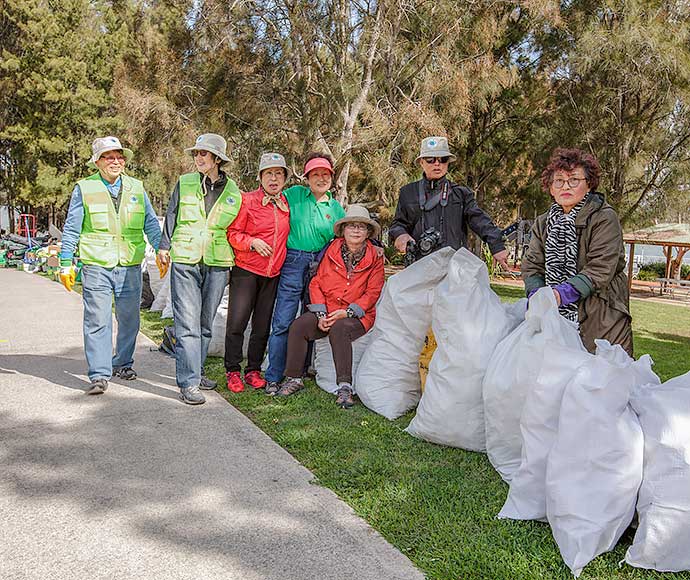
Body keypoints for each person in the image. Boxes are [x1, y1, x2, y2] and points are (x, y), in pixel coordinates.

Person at [59, 136, 161, 394]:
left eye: (119, 156)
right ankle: (99, 374)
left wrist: (162, 249)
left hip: (129, 265)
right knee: (98, 320)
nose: (116, 161)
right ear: (97, 161)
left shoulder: (137, 187)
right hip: (96, 265)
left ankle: (123, 363)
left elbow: (150, 222)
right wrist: (65, 262)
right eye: (109, 157)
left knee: (129, 319)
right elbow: (72, 227)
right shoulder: (85, 188)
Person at [521, 147, 633, 355]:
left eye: (574, 180)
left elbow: (601, 268)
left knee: (601, 379)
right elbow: (532, 265)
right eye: (559, 181)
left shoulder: (604, 217)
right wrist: (538, 295)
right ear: (551, 188)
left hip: (601, 314)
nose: (566, 186)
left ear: (589, 185)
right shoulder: (543, 222)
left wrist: (561, 294)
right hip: (554, 316)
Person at [157, 134, 242, 405]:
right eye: (196, 154)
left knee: (205, 323)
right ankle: (188, 382)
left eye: (204, 154)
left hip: (217, 262)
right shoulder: (185, 182)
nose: (198, 158)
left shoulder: (233, 192)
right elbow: (171, 214)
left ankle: (199, 370)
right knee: (187, 323)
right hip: (185, 258)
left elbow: (238, 227)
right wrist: (163, 246)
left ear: (217, 158)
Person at [278, 205, 385, 407]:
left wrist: (347, 312)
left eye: (361, 227)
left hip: (356, 315)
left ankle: (345, 387)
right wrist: (320, 313)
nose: (356, 230)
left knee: (339, 329)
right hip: (326, 309)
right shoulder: (332, 250)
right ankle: (294, 378)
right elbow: (316, 282)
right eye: (351, 226)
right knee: (299, 326)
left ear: (368, 233)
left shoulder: (375, 257)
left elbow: (373, 292)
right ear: (343, 230)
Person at [264, 153, 346, 394]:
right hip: (292, 260)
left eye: (325, 174)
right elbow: (271, 204)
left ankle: (298, 371)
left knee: (310, 319)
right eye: (315, 174)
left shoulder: (335, 208)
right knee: (283, 320)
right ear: (307, 177)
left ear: (331, 177)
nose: (320, 179)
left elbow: (343, 240)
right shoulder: (294, 195)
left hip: (320, 265)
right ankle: (274, 375)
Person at [223, 153, 291, 392]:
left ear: (285, 178)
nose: (274, 178)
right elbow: (233, 234)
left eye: (279, 174)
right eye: (269, 174)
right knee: (237, 323)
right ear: (260, 177)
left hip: (273, 275)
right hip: (246, 271)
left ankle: (253, 370)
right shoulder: (247, 200)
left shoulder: (286, 205)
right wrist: (252, 242)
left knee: (262, 326)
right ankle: (232, 370)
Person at [389, 136, 509, 269]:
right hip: (419, 265)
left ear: (448, 163)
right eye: (430, 160)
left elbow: (480, 220)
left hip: (453, 267)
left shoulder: (461, 194)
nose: (437, 164)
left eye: (443, 159)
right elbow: (398, 224)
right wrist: (400, 235)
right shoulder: (407, 192)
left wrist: (497, 245)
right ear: (421, 162)